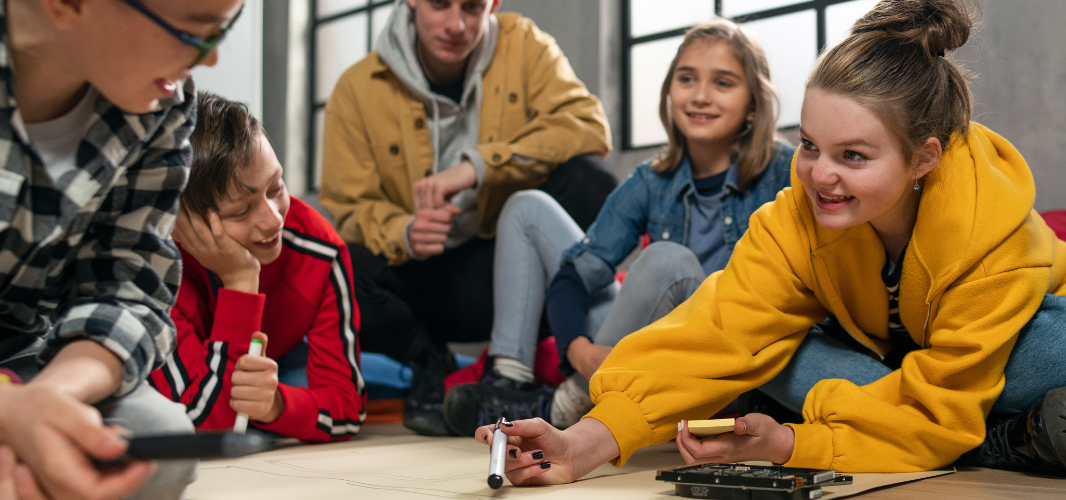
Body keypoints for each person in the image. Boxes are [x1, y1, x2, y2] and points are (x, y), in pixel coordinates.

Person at [474, 0, 1066, 483]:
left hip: (993, 352)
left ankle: (986, 438)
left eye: (854, 156)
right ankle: (1003, 439)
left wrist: (796, 442)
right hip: (888, 366)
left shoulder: (985, 227)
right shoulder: (796, 212)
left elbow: (941, 411)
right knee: (766, 351)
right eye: (813, 146)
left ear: (924, 158)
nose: (821, 175)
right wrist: (586, 440)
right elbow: (715, 331)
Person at [443, 19, 796, 437]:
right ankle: (510, 381)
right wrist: (578, 349)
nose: (700, 96)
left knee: (668, 261)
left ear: (754, 103)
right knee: (527, 208)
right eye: (687, 79)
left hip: (726, 355)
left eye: (723, 83)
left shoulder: (784, 172)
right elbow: (575, 275)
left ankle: (564, 403)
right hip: (644, 346)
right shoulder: (653, 179)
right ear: (670, 90)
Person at [321, 0, 617, 436]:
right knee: (337, 267)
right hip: (423, 282)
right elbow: (347, 207)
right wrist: (402, 231)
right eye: (440, 4)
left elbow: (589, 127)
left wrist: (479, 166)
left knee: (591, 181)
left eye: (473, 7)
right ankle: (427, 361)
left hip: (507, 267)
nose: (455, 24)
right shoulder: (356, 88)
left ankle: (522, 365)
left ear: (494, 4)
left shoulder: (525, 43)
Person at [0, 0, 245, 498]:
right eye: (196, 33)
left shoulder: (164, 108)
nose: (211, 59)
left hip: (21, 358)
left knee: (152, 444)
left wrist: (47, 404)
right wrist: (3, 415)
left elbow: (126, 289)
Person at [148, 92, 365, 443]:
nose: (273, 218)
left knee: (318, 380)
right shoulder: (156, 271)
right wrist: (240, 281)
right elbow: (204, 425)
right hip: (186, 376)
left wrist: (276, 405)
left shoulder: (318, 246)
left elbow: (348, 406)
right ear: (183, 221)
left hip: (278, 361)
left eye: (276, 187)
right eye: (240, 211)